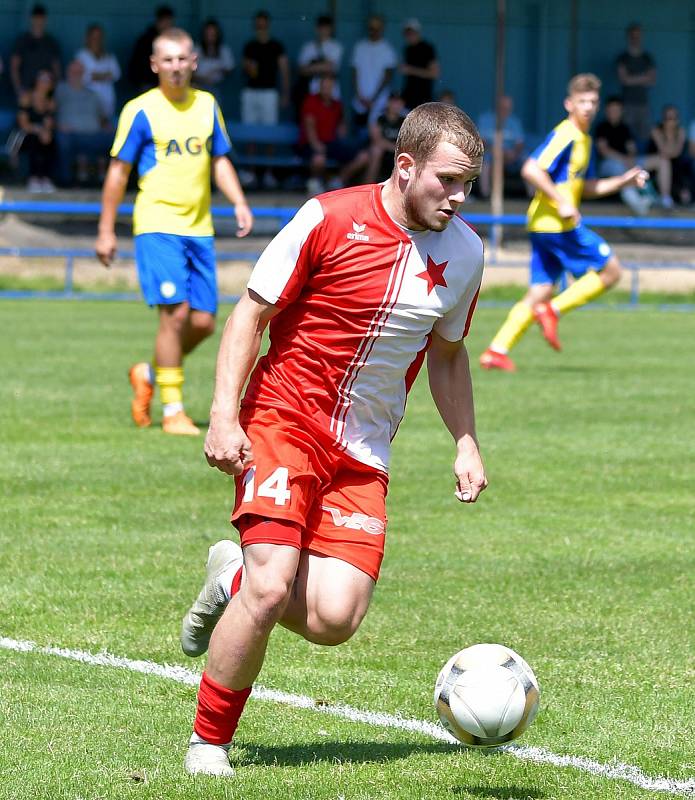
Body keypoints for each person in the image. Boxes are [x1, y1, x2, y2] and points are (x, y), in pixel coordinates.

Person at [179, 101, 488, 777]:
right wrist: (223, 414)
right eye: (447, 180)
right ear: (404, 166)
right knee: (271, 589)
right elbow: (251, 313)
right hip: (282, 422)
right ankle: (208, 743)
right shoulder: (328, 217)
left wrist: (464, 440)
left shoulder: (465, 252)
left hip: (364, 454)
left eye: (469, 183)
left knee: (334, 620)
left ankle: (230, 572)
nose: (459, 197)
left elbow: (447, 353)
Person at [95, 28, 254, 435]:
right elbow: (118, 172)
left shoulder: (207, 105)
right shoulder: (140, 110)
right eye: (168, 60)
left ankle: (149, 373)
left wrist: (237, 200)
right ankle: (173, 411)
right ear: (154, 65)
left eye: (183, 58)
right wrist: (106, 230)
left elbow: (220, 160)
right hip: (156, 225)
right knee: (175, 315)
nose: (176, 67)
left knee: (202, 322)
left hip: (199, 229)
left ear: (194, 61)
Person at [480, 73, 648, 372]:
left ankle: (496, 350)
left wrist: (623, 181)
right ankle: (554, 311)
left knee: (540, 290)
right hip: (557, 224)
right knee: (611, 271)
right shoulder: (566, 135)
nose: (588, 107)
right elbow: (531, 169)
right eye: (582, 101)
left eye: (593, 102)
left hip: (546, 225)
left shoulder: (584, 139)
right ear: (568, 103)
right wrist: (562, 202)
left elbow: (584, 187)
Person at [240, 10, 290, 188]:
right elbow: (245, 68)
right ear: (255, 25)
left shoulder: (276, 46)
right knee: (250, 133)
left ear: (267, 24)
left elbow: (284, 70)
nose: (261, 27)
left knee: (270, 134)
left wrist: (285, 94)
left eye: (263, 24)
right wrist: (249, 68)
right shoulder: (250, 46)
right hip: (251, 92)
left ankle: (269, 172)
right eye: (258, 24)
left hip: (269, 92)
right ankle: (251, 172)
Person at [594, 95, 670, 213]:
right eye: (611, 110)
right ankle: (637, 202)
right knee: (621, 168)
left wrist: (630, 158)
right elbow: (604, 150)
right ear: (606, 110)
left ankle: (665, 199)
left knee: (662, 161)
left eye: (617, 110)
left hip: (627, 161)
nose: (614, 112)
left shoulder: (625, 128)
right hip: (608, 164)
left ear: (621, 111)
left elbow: (632, 149)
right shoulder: (601, 127)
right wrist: (624, 159)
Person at [297, 75, 367, 195]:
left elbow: (341, 128)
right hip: (311, 144)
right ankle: (316, 183)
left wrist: (342, 135)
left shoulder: (337, 105)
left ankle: (337, 181)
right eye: (324, 86)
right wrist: (316, 145)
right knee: (319, 159)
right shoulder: (311, 101)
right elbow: (309, 126)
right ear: (319, 87)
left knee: (363, 157)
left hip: (331, 143)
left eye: (329, 87)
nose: (326, 89)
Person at [55, 59, 113, 185]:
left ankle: (114, 182)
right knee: (62, 139)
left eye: (79, 72)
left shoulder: (93, 94)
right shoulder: (60, 90)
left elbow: (103, 118)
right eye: (73, 71)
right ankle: (66, 182)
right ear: (68, 72)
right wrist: (57, 125)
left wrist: (107, 126)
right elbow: (49, 111)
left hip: (94, 135)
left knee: (115, 138)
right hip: (71, 135)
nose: (76, 74)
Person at [350, 15, 397, 133]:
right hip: (360, 102)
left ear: (382, 29)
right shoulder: (360, 47)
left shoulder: (387, 49)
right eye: (371, 27)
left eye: (377, 28)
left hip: (380, 102)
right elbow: (355, 73)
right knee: (360, 137)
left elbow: (388, 76)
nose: (374, 30)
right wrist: (359, 95)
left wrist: (373, 98)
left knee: (378, 136)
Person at [476, 95, 525, 199]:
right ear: (497, 107)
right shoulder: (485, 119)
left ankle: (531, 196)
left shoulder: (514, 121)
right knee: (486, 161)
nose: (505, 110)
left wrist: (514, 153)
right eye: (503, 107)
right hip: (490, 152)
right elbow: (481, 141)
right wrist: (495, 150)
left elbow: (520, 143)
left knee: (528, 161)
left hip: (511, 154)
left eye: (508, 108)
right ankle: (485, 195)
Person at [616, 22, 656, 147]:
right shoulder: (623, 58)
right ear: (628, 37)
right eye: (633, 35)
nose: (635, 38)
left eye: (638, 35)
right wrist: (643, 77)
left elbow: (652, 80)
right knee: (626, 137)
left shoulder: (647, 58)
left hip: (643, 104)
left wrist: (632, 78)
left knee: (645, 137)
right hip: (627, 104)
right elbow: (624, 80)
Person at [17, 69, 56, 193]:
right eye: (42, 79)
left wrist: (46, 131)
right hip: (22, 137)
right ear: (36, 81)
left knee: (50, 140)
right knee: (35, 139)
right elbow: (23, 125)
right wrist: (39, 130)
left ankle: (45, 179)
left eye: (48, 80)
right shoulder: (26, 98)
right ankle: (33, 178)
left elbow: (50, 124)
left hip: (43, 136)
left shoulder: (51, 103)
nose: (45, 83)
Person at [10, 4, 61, 98]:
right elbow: (14, 67)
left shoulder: (51, 43)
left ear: (45, 20)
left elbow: (56, 69)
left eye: (41, 18)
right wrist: (18, 89)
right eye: (36, 18)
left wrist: (53, 91)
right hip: (26, 92)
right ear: (31, 19)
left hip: (45, 94)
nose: (38, 22)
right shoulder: (22, 41)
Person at [647, 105, 695, 207]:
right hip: (656, 172)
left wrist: (674, 135)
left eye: (674, 118)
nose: (671, 121)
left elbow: (677, 152)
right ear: (663, 119)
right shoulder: (656, 131)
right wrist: (669, 135)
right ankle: (666, 198)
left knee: (685, 173)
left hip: (677, 171)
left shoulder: (681, 131)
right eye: (668, 118)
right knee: (665, 163)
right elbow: (665, 152)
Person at [76, 23, 122, 120]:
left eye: (99, 37)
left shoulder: (109, 56)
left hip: (107, 99)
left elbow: (116, 74)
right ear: (88, 38)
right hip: (87, 101)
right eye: (94, 37)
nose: (96, 40)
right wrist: (104, 75)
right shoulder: (81, 56)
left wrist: (96, 76)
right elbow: (82, 78)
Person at [296, 14, 343, 104]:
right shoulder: (308, 47)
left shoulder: (336, 46)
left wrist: (311, 65)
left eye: (326, 27)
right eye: (321, 27)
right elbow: (301, 70)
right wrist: (322, 65)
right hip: (310, 89)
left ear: (331, 29)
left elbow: (329, 67)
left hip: (331, 90)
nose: (323, 30)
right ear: (316, 28)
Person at [127, 5, 174, 94]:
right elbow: (138, 65)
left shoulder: (174, 41)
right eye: (165, 21)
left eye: (170, 22)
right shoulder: (145, 41)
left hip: (168, 84)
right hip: (148, 84)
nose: (167, 25)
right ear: (158, 22)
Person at [363, 90, 406, 183]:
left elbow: (407, 144)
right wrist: (394, 147)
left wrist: (393, 148)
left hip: (396, 155)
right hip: (382, 153)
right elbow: (377, 141)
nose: (396, 105)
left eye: (399, 102)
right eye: (394, 101)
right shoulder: (379, 118)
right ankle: (366, 188)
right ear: (388, 103)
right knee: (374, 151)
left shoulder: (405, 121)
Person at [399, 18, 439, 111]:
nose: (409, 36)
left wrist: (410, 70)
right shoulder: (407, 49)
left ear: (418, 32)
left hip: (424, 100)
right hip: (407, 99)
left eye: (412, 33)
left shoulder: (428, 48)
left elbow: (434, 73)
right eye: (407, 33)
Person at [194, 19, 234, 103]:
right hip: (198, 87)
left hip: (218, 88)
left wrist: (217, 70)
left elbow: (229, 68)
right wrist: (203, 78)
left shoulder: (223, 50)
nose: (210, 36)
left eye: (213, 33)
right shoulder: (197, 49)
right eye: (208, 33)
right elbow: (191, 71)